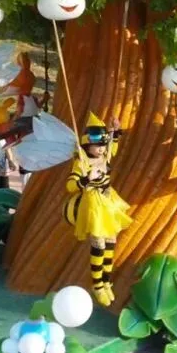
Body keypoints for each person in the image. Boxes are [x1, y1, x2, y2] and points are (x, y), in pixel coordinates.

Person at [65, 113, 133, 306]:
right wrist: (87, 178)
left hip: (108, 200)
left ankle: (107, 281)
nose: (102, 149)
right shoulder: (82, 162)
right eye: (97, 145)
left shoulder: (105, 155)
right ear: (87, 145)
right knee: (99, 244)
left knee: (111, 241)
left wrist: (115, 130)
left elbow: (113, 147)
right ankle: (97, 285)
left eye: (103, 145)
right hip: (93, 204)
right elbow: (70, 185)